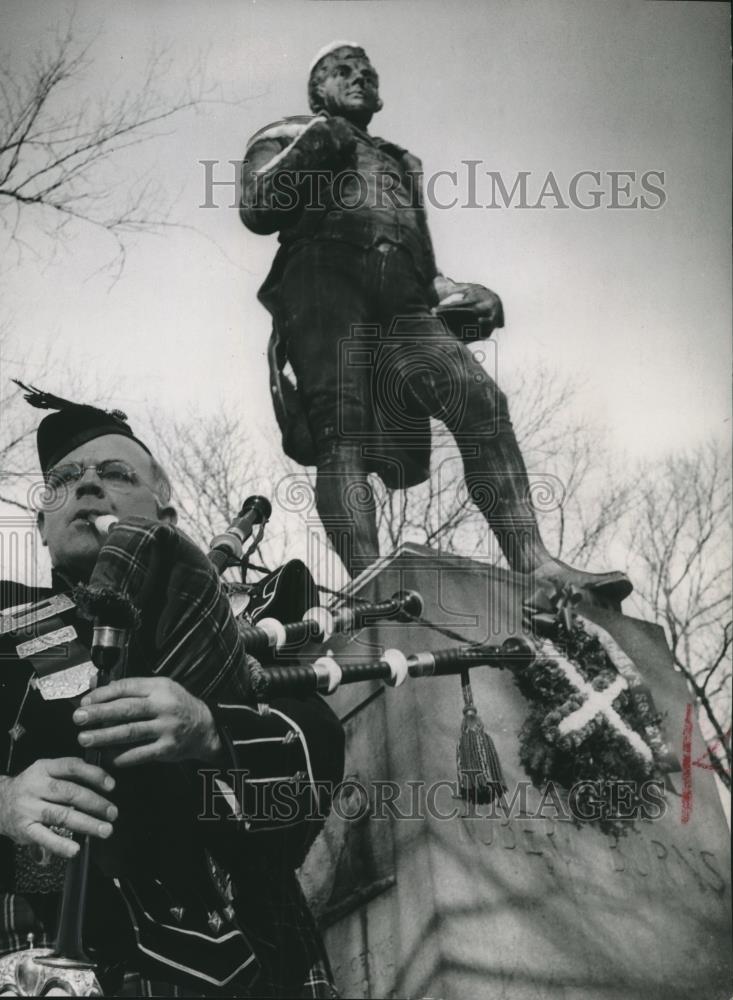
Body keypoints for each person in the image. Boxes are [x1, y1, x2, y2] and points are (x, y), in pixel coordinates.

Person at [0, 393, 344, 997]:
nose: (88, 486)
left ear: (165, 520)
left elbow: (317, 750)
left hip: (225, 966)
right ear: (43, 526)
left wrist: (210, 730)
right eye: (64, 480)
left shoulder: (223, 634)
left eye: (116, 475)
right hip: (10, 959)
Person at [239, 41, 632, 605]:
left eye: (367, 72)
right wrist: (319, 139)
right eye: (342, 71)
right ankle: (374, 589)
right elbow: (257, 206)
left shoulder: (399, 162)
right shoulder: (292, 131)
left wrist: (463, 293)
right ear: (317, 88)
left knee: (480, 401)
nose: (359, 78)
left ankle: (537, 564)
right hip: (322, 275)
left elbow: (421, 260)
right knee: (340, 429)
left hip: (402, 295)